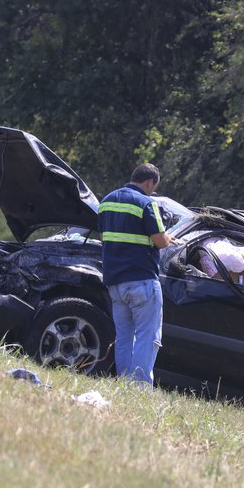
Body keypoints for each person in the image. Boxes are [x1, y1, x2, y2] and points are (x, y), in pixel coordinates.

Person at [98, 163, 172, 386]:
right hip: (141, 281)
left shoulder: (106, 201)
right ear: (149, 182)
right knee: (146, 338)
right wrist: (169, 238)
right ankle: (139, 388)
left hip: (115, 283)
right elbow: (160, 241)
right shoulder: (146, 203)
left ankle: (124, 384)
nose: (152, 191)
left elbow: (106, 237)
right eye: (153, 187)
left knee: (124, 338)